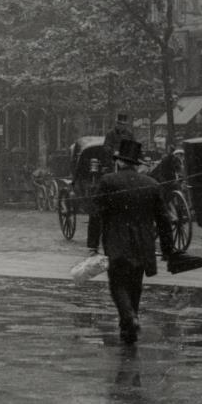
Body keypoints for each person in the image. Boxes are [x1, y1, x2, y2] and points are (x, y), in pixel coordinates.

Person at [86, 137, 175, 345]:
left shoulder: (109, 181)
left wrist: (92, 243)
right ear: (136, 164)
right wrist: (168, 249)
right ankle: (129, 328)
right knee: (135, 285)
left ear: (119, 161)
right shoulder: (151, 184)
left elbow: (96, 213)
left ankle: (128, 317)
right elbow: (164, 220)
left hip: (117, 242)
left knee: (117, 284)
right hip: (143, 244)